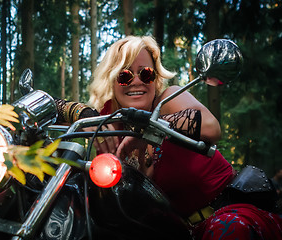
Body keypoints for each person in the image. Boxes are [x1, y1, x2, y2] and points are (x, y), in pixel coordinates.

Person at [84, 35, 282, 239]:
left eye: (146, 74)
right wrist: (83, 119)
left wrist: (145, 131)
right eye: (124, 75)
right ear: (111, 79)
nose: (136, 81)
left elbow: (211, 127)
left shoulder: (169, 100)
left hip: (227, 215)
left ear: (156, 78)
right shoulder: (109, 127)